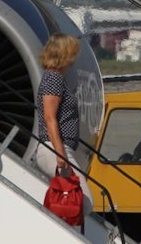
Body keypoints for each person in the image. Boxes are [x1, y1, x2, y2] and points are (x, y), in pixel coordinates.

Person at [32, 33, 93, 217]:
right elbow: (50, 118)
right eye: (72, 54)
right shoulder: (54, 79)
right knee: (84, 202)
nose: (74, 60)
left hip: (58, 149)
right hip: (54, 149)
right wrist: (61, 154)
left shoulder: (55, 78)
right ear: (64, 55)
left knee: (69, 203)